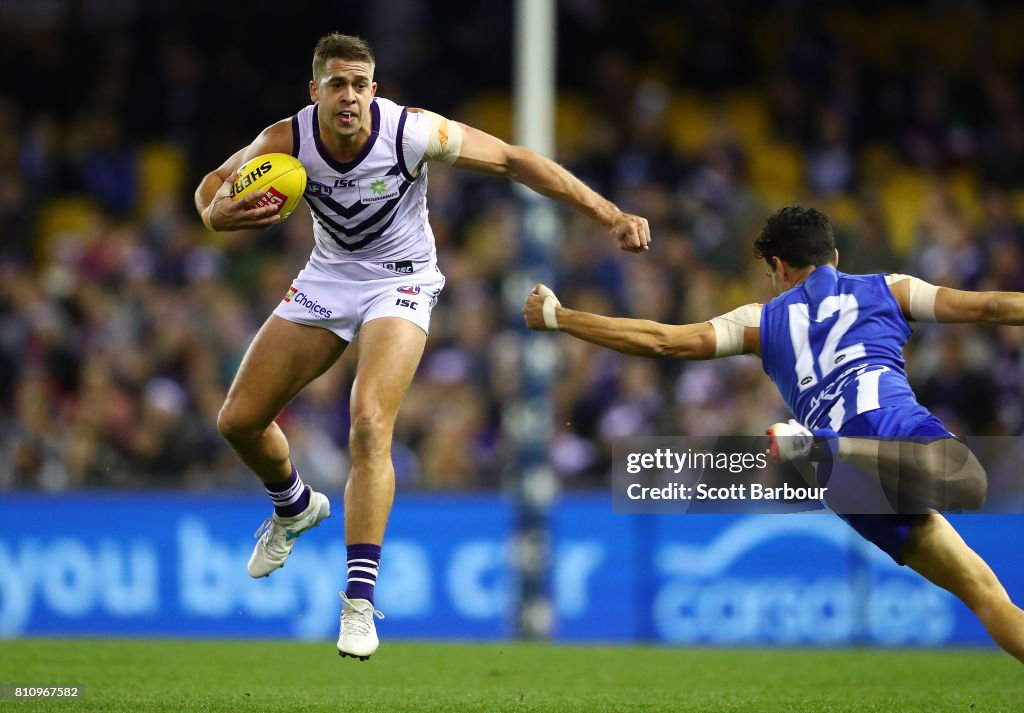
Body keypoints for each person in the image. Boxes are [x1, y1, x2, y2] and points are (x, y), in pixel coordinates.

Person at [194, 33, 650, 660]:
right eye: (337, 84)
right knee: (238, 421)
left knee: (369, 423)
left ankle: (357, 605)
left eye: (360, 84)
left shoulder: (412, 133)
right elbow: (214, 184)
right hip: (328, 277)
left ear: (373, 89)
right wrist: (214, 214)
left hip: (402, 278)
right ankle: (294, 506)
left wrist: (609, 213)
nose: (349, 96)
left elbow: (516, 159)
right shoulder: (286, 140)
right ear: (315, 91)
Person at [523, 205, 1024, 662]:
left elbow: (662, 341)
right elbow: (991, 309)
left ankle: (826, 449)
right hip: (889, 426)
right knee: (971, 493)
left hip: (843, 484)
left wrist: (560, 317)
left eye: (772, 274)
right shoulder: (888, 289)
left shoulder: (760, 321)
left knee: (983, 592)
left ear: (781, 267)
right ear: (835, 255)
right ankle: (830, 448)